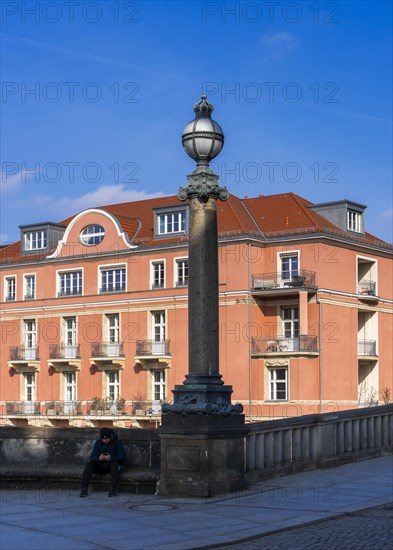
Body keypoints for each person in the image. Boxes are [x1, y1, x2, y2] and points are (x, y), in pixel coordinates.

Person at [80, 428, 126, 497]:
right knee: (89, 464)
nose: (105, 441)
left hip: (111, 467)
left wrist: (111, 458)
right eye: (103, 439)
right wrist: (99, 458)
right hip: (101, 466)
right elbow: (92, 457)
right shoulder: (98, 443)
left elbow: (122, 457)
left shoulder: (117, 443)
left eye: (107, 439)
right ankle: (84, 489)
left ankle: (112, 489)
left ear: (110, 437)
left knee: (115, 464)